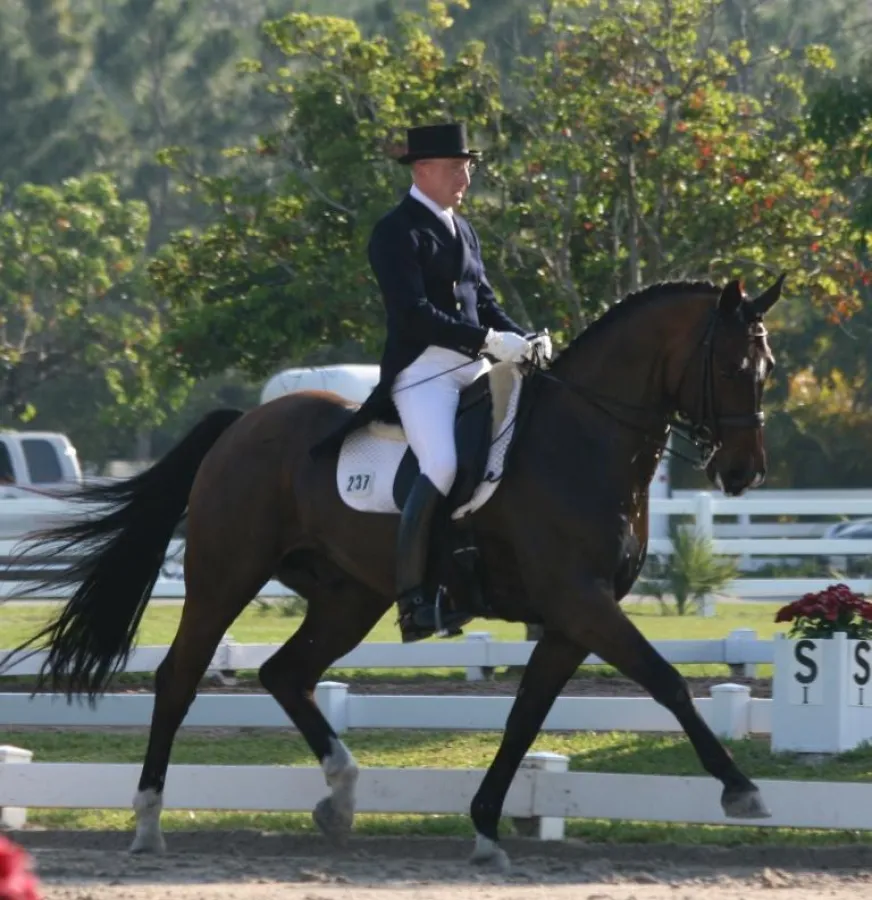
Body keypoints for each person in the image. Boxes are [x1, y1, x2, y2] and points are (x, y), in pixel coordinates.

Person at [365, 122, 547, 643]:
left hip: (476, 366)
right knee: (443, 465)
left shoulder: (462, 229)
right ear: (424, 170)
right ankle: (414, 600)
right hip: (424, 372)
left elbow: (484, 302)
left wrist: (525, 339)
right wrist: (490, 342)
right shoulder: (396, 232)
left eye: (467, 166)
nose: (466, 176)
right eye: (456, 167)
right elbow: (414, 315)